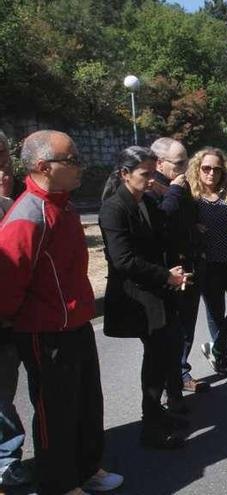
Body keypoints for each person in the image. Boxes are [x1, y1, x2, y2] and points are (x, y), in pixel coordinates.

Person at [0, 130, 123, 494]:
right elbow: (8, 285)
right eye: (70, 161)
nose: (79, 166)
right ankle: (61, 484)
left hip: (77, 323)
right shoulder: (27, 215)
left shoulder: (63, 205)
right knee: (56, 412)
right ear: (43, 167)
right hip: (45, 331)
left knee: (87, 403)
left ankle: (88, 468)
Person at [100, 146, 190, 449]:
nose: (151, 180)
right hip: (135, 298)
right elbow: (124, 260)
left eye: (155, 173)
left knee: (164, 354)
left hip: (156, 291)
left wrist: (172, 268)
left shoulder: (146, 201)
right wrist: (166, 276)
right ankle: (150, 428)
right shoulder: (114, 208)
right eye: (145, 174)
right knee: (155, 362)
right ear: (125, 174)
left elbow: (163, 233)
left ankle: (157, 414)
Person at [146, 138, 210, 395]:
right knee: (172, 330)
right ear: (160, 163)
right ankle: (171, 379)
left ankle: (181, 372)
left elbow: (187, 217)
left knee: (188, 325)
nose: (185, 167)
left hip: (192, 262)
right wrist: (173, 189)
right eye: (179, 163)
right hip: (170, 271)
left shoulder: (181, 185)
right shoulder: (152, 188)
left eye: (186, 161)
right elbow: (162, 221)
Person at [187, 147, 227, 375]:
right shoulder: (191, 197)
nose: (211, 173)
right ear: (198, 168)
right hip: (208, 265)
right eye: (206, 168)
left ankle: (217, 345)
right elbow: (180, 225)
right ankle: (222, 356)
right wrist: (193, 227)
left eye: (217, 169)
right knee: (216, 313)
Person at [0, 129, 32, 489]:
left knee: (2, 393)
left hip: (9, 320)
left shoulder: (13, 206)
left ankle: (7, 459)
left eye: (6, 157)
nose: (3, 166)